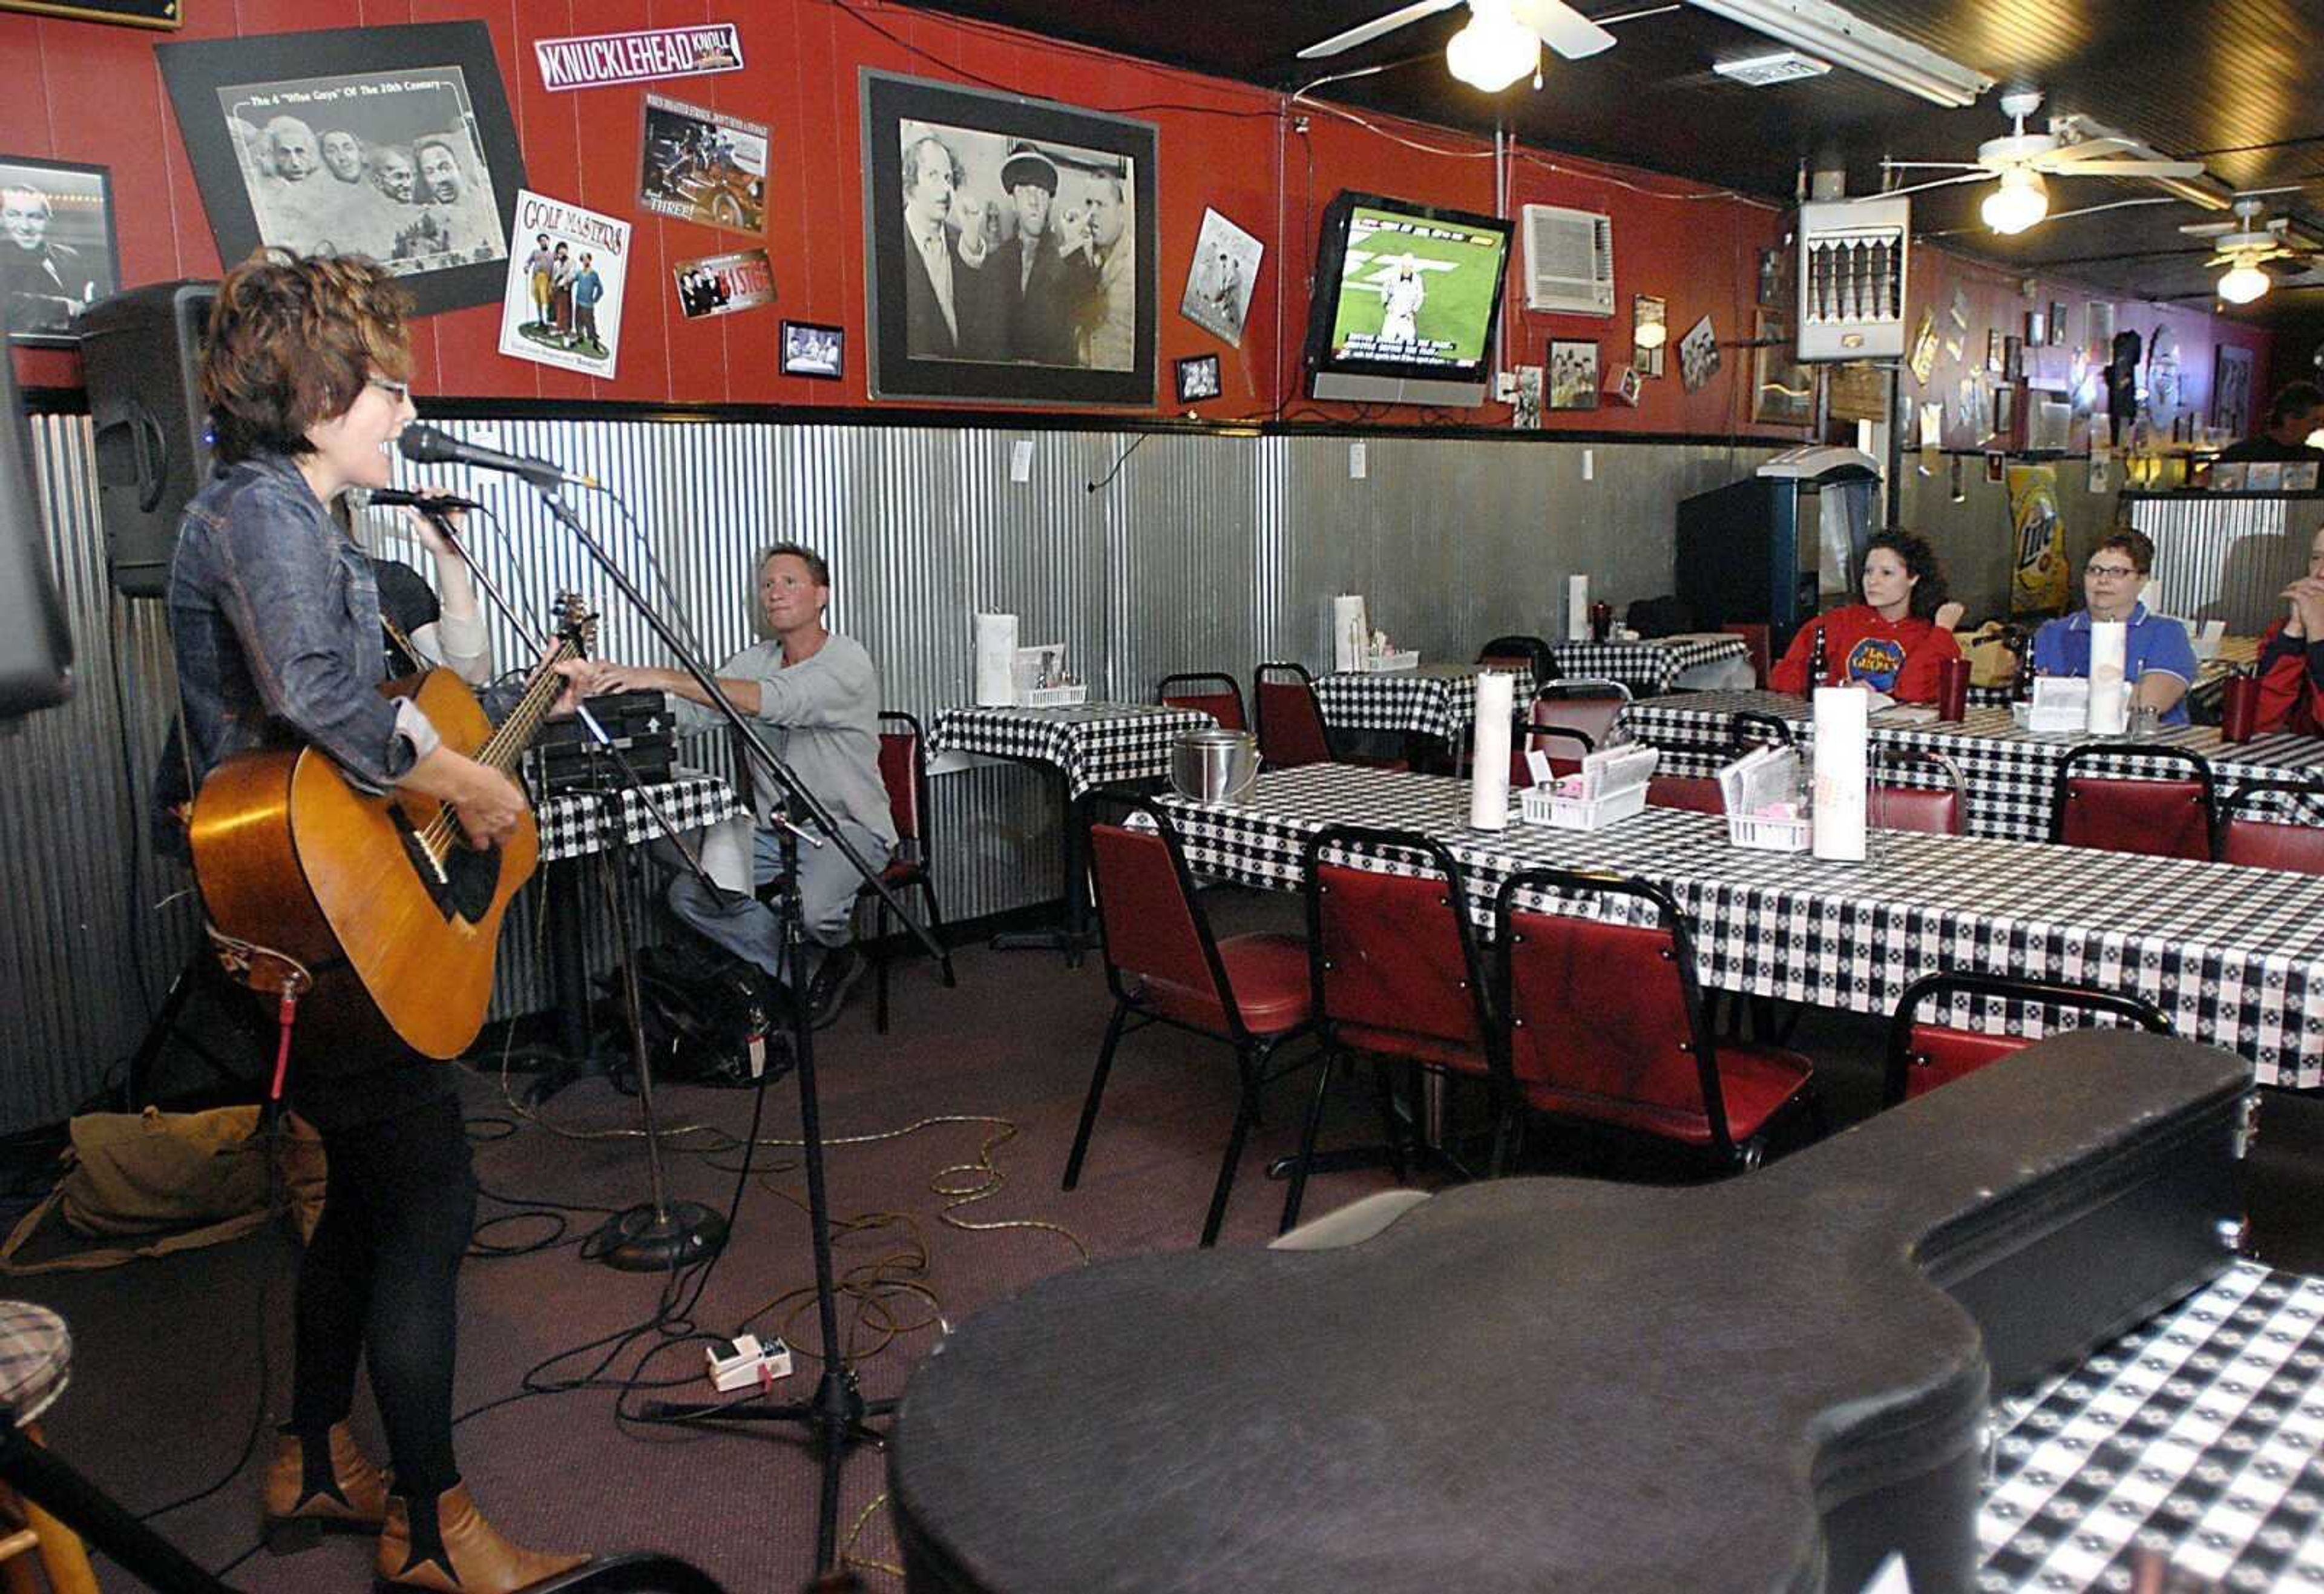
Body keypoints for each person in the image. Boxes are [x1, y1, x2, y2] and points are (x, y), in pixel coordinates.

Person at [167, 251, 588, 1593]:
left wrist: (487, 730)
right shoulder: (262, 512)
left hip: (320, 909)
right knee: (431, 1199)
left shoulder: (293, 514)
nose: (407, 407)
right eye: (387, 384)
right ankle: (431, 1524)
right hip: (307, 916)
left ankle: (306, 1454)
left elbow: (369, 706)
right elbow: (313, 698)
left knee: (357, 1199)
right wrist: (470, 780)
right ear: (316, 388)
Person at [589, 544, 898, 1027]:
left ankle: (834, 947)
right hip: (777, 832)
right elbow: (691, 714)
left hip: (847, 827)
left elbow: (772, 701)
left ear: (823, 595)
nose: (774, 593)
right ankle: (814, 966)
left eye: (789, 582)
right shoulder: (755, 660)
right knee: (686, 894)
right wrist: (606, 700)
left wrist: (657, 674)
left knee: (813, 911)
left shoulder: (847, 662)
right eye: (767, 584)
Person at [1769, 530, 1967, 702]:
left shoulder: (1931, 634)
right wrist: (1839, 687)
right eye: (1868, 571)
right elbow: (1783, 678)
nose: (1873, 581)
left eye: (1887, 573)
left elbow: (1914, 692)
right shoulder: (1838, 621)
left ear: (1913, 578)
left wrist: (1943, 631)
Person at [2030, 529, 2198, 724]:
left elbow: (2151, 703)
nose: (2103, 580)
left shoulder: (2167, 634)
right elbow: (2030, 695)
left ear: (2142, 580)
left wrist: (2062, 693)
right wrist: (2123, 691)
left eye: (2117, 572)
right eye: (2095, 571)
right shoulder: (2053, 632)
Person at [993, 141, 1091, 366]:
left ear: (1049, 202)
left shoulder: (1067, 257)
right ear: (1014, 201)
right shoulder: (996, 260)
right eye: (1026, 190)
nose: (1035, 201)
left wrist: (1077, 250)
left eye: (1042, 192)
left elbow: (1087, 302)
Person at [0, 183, 99, 338]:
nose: (25, 226)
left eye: (35, 217)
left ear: (49, 220)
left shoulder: (70, 256)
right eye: (14, 215)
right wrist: (67, 307)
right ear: (1, 219)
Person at [2253, 521, 2324, 736]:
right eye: (2316, 558)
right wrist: (2295, 630)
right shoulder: (2283, 630)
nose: (2321, 572)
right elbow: (2260, 720)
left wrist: (2318, 634)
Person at [1075, 171, 1135, 371]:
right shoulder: (1086, 259)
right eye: (1089, 203)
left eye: (1101, 205)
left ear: (1120, 211)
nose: (1092, 214)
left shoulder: (1135, 262)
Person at [2216, 381, 2324, 464]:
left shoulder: (2316, 458)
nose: (2320, 427)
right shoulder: (2242, 455)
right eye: (2315, 420)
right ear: (2289, 419)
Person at [1379, 259, 1424, 346]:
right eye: (1405, 267)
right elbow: (1385, 291)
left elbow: (1420, 297)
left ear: (1412, 268)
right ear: (1402, 267)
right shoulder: (1393, 277)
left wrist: (1413, 311)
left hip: (1407, 318)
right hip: (1392, 316)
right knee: (1386, 343)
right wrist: (1386, 305)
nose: (1407, 269)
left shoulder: (1417, 280)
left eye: (1409, 267)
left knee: (1408, 345)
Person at [571, 251, 605, 355]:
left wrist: (595, 299)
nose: (585, 261)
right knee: (578, 322)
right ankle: (580, 338)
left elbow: (601, 289)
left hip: (588, 305)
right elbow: (573, 279)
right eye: (583, 259)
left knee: (590, 324)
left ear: (590, 260)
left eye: (587, 259)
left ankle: (595, 343)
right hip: (579, 302)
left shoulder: (594, 275)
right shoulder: (580, 273)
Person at [523, 232, 554, 329]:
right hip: (536, 278)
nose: (543, 242)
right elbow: (528, 261)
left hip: (547, 280)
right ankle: (541, 320)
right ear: (539, 243)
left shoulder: (552, 254)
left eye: (545, 240)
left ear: (548, 242)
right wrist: (526, 267)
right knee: (538, 300)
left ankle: (549, 321)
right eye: (541, 241)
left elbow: (557, 266)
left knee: (547, 300)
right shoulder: (535, 252)